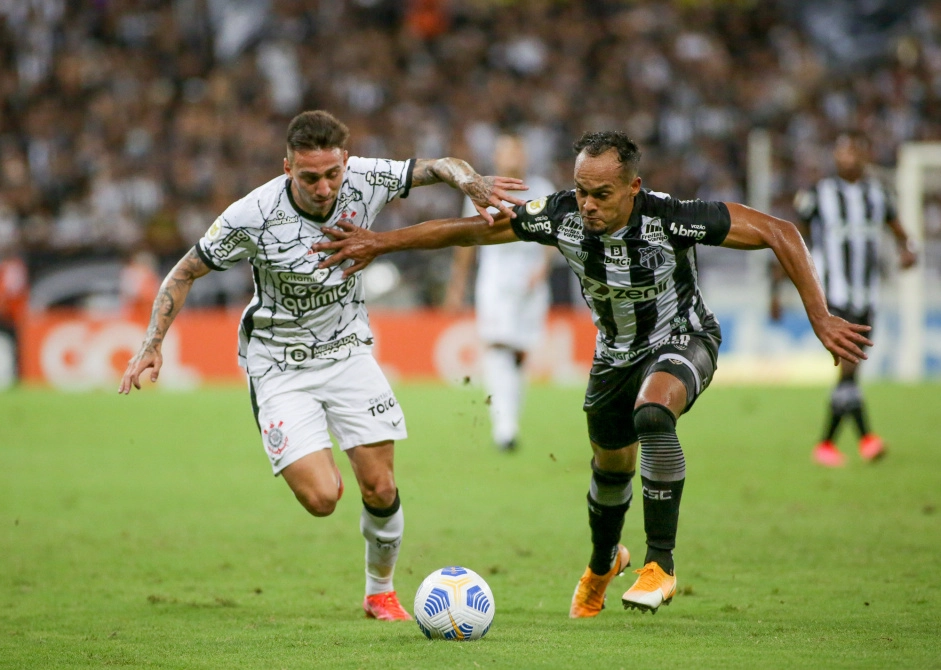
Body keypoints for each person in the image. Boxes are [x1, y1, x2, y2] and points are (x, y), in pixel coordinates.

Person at [309, 130, 871, 618]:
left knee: (654, 412)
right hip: (614, 356)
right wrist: (380, 242)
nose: (588, 205)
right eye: (581, 191)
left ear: (632, 187)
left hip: (684, 339)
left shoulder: (671, 217)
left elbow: (780, 231)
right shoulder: (561, 217)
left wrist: (819, 317)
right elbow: (470, 232)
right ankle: (604, 564)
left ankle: (660, 564)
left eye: (601, 194)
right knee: (609, 474)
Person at [118, 110, 527, 621]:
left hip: (348, 351)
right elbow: (185, 270)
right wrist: (152, 342)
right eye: (310, 176)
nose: (324, 186)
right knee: (323, 497)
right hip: (278, 363)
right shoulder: (253, 214)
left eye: (332, 173)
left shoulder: (365, 179)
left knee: (380, 487)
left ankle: (380, 592)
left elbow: (441, 165)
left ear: (345, 162)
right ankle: (304, 442)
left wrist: (472, 181)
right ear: (286, 167)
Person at [774, 131, 917, 467]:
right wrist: (776, 290)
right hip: (833, 297)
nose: (846, 158)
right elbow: (790, 240)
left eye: (853, 151)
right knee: (850, 369)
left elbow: (901, 233)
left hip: (868, 297)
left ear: (864, 154)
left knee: (849, 376)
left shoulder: (878, 194)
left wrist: (908, 252)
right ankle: (867, 439)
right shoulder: (818, 194)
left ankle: (827, 444)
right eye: (841, 152)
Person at [443, 133, 557, 451]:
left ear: (525, 156)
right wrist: (457, 285)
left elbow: (555, 236)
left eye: (517, 151)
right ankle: (504, 428)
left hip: (531, 284)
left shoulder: (543, 188)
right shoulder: (479, 191)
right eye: (506, 151)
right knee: (497, 346)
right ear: (496, 157)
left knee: (519, 354)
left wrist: (543, 268)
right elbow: (465, 243)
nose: (512, 157)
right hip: (495, 282)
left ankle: (510, 419)